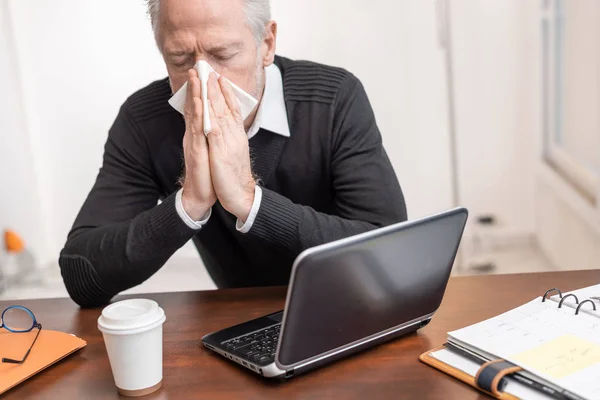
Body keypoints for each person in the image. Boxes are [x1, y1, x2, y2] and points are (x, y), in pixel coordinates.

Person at [59, 0, 407, 308]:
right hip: (239, 318)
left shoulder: (333, 100)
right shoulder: (143, 121)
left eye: (223, 55)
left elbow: (389, 253)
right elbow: (81, 274)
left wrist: (248, 199)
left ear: (266, 43)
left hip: (350, 304)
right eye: (180, 60)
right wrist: (189, 204)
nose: (203, 78)